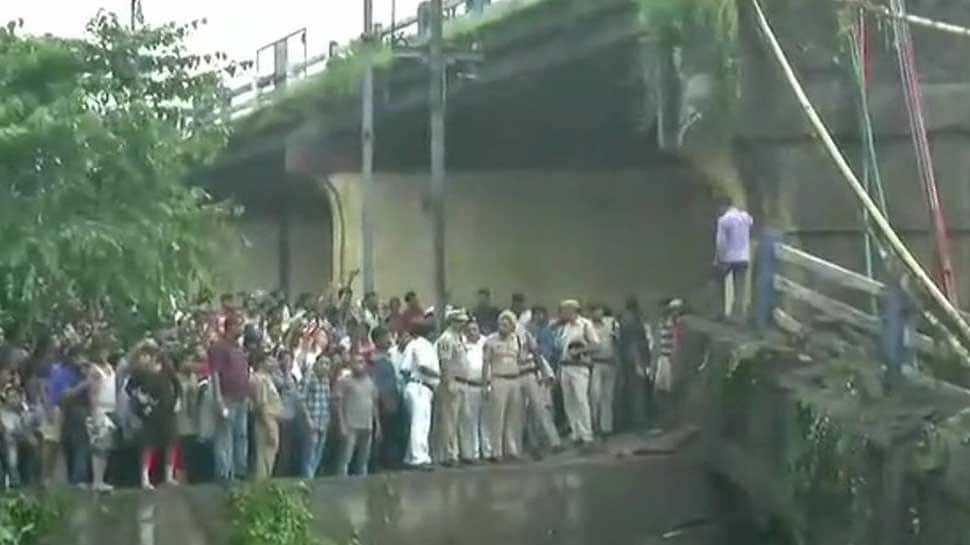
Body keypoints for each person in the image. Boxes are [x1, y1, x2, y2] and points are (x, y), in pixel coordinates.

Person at [126, 344, 182, 490]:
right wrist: (140, 397)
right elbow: (129, 388)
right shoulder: (139, 372)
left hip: (168, 411)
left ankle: (169, 476)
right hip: (149, 412)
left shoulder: (166, 367)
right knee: (148, 445)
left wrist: (178, 401)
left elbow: (177, 384)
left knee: (171, 443)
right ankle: (145, 478)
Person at [208, 313, 251, 481]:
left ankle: (240, 470)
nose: (241, 329)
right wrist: (218, 400)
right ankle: (224, 473)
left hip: (242, 398)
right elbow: (215, 375)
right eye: (239, 325)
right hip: (226, 397)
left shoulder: (239, 348)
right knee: (224, 436)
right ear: (230, 327)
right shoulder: (219, 347)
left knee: (241, 435)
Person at [483, 311, 525, 462]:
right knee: (497, 417)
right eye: (501, 324)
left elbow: (521, 359)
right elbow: (486, 363)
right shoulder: (490, 341)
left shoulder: (517, 340)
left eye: (507, 325)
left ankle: (512, 450)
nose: (503, 327)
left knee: (513, 418)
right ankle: (496, 451)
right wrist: (485, 384)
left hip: (514, 380)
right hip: (498, 380)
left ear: (512, 327)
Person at [557, 300, 599, 447]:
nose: (562, 313)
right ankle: (576, 433)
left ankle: (587, 435)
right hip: (565, 367)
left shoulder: (585, 325)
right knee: (569, 402)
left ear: (573, 310)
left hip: (579, 367)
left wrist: (579, 351)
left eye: (565, 310)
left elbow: (595, 345)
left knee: (581, 400)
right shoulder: (565, 327)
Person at [516, 325, 561, 457]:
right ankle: (533, 444)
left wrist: (544, 374)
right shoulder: (504, 337)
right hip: (516, 375)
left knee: (541, 410)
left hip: (532, 374)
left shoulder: (524, 334)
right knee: (523, 413)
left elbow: (537, 355)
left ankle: (554, 442)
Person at [400, 322, 440, 470]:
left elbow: (404, 369)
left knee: (417, 423)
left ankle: (411, 457)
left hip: (414, 385)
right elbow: (423, 366)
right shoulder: (423, 345)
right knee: (420, 424)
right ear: (429, 333)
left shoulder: (413, 344)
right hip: (420, 386)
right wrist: (440, 375)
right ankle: (419, 458)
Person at [433, 310, 469, 466]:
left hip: (462, 381)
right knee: (449, 420)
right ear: (452, 321)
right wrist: (448, 382)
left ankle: (458, 452)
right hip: (452, 381)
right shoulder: (446, 339)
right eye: (460, 321)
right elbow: (445, 362)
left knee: (460, 420)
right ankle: (449, 455)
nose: (463, 324)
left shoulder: (459, 337)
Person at [334, 355, 380, 477]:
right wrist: (341, 424)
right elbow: (338, 403)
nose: (358, 365)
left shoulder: (370, 382)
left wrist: (377, 425)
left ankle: (362, 485)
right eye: (355, 362)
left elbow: (374, 405)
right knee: (345, 458)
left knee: (363, 459)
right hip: (350, 425)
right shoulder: (345, 381)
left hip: (367, 425)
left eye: (361, 362)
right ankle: (341, 484)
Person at [370, 326, 405, 471]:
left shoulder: (391, 357)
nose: (388, 339)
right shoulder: (376, 361)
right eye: (385, 337)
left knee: (395, 434)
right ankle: (380, 464)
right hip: (384, 403)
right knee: (384, 435)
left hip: (395, 399)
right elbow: (377, 385)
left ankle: (393, 461)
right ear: (377, 340)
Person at [714, 197, 754, 321]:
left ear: (723, 206)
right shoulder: (746, 217)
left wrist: (718, 259)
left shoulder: (723, 220)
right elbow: (751, 223)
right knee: (740, 287)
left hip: (729, 258)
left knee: (717, 281)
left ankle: (720, 311)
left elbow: (721, 242)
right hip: (744, 257)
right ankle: (738, 316)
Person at [86, 337, 117, 492]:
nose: (104, 353)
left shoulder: (110, 367)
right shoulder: (94, 370)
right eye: (101, 350)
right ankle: (97, 480)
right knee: (99, 446)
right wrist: (94, 413)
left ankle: (102, 479)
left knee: (107, 446)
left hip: (111, 408)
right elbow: (92, 393)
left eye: (106, 350)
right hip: (100, 409)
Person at [618, 297, 652, 430]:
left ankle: (634, 421)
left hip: (629, 359)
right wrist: (639, 363)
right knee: (637, 392)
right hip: (633, 359)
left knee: (633, 391)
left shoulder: (626, 318)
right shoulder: (631, 319)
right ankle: (639, 423)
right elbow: (633, 343)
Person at [251, 351, 283, 480]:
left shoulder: (268, 378)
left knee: (270, 455)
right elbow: (262, 404)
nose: (274, 363)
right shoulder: (260, 379)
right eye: (270, 360)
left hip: (272, 419)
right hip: (266, 421)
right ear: (262, 363)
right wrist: (269, 427)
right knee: (265, 455)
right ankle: (261, 485)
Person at [460, 320, 488, 463]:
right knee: (469, 421)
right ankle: (472, 453)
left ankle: (488, 451)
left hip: (486, 385)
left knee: (487, 421)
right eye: (469, 330)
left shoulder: (486, 342)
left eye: (475, 329)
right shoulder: (462, 345)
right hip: (469, 385)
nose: (472, 332)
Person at [654, 299, 685, 429]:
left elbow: (678, 343)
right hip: (663, 359)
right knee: (660, 392)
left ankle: (672, 422)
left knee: (671, 392)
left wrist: (676, 358)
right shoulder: (664, 322)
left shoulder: (678, 323)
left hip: (671, 359)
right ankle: (667, 421)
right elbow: (658, 343)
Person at [589, 304, 619, 437]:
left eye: (601, 312)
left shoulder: (610, 324)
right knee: (595, 396)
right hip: (595, 363)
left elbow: (617, 341)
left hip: (610, 362)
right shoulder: (587, 326)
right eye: (596, 312)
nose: (599, 315)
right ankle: (594, 424)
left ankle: (606, 427)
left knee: (608, 397)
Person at [300, 355, 331, 479]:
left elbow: (327, 400)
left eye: (327, 364)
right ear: (316, 364)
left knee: (319, 452)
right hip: (311, 420)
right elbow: (301, 399)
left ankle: (312, 476)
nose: (325, 366)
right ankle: (307, 479)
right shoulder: (309, 378)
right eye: (322, 363)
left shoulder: (326, 380)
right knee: (309, 452)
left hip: (323, 420)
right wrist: (308, 419)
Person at [272, 350, 302, 477]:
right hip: (279, 417)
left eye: (290, 360)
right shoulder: (275, 376)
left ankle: (285, 474)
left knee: (288, 449)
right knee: (279, 449)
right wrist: (285, 372)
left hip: (292, 417)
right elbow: (282, 385)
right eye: (285, 359)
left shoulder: (294, 377)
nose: (288, 362)